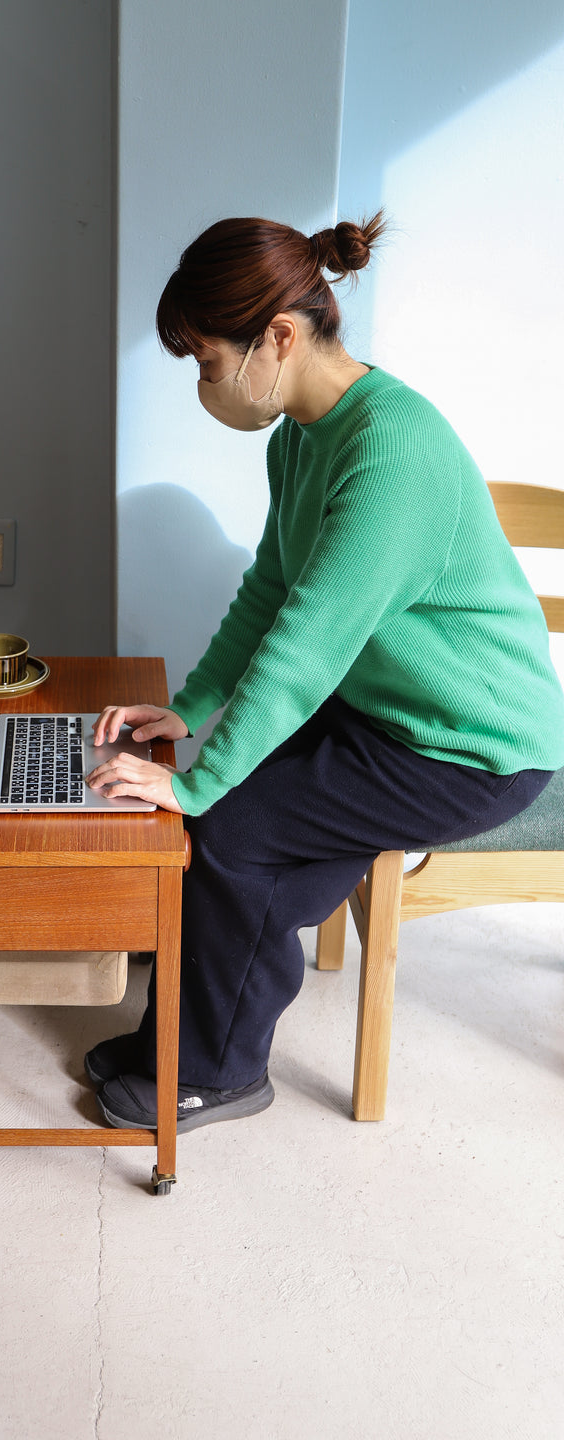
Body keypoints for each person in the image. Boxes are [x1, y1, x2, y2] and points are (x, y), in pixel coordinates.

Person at [83, 213, 564, 1134]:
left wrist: (202, 784)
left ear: (278, 338)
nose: (203, 385)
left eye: (207, 363)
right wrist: (189, 712)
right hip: (386, 712)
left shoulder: (392, 452)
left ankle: (219, 1072)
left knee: (225, 832)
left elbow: (308, 643)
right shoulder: (298, 438)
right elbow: (271, 586)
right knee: (247, 845)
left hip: (472, 743)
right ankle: (177, 1038)